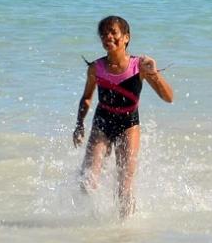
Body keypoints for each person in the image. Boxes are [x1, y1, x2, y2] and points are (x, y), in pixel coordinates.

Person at [73, 15, 174, 217]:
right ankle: (93, 221)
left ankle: (124, 231)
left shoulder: (140, 66)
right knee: (88, 182)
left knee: (124, 185)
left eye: (113, 32)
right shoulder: (96, 68)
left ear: (126, 37)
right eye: (104, 33)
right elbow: (86, 98)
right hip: (102, 123)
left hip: (129, 124)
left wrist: (154, 73)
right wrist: (79, 125)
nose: (108, 36)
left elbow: (168, 97)